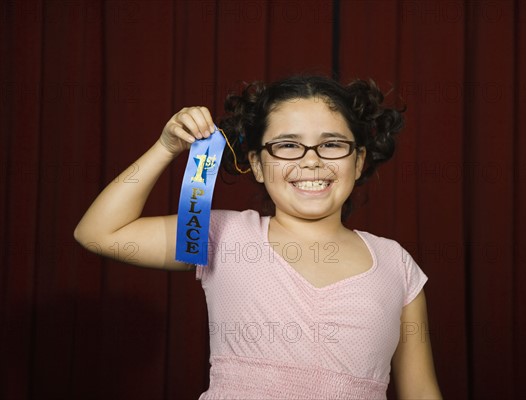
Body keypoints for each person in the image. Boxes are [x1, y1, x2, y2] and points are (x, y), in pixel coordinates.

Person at [74, 75, 442, 399]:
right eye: (287, 145)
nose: (311, 160)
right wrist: (165, 148)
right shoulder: (221, 235)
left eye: (331, 144)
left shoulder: (396, 264)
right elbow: (101, 232)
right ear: (256, 164)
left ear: (358, 161)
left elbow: (421, 391)